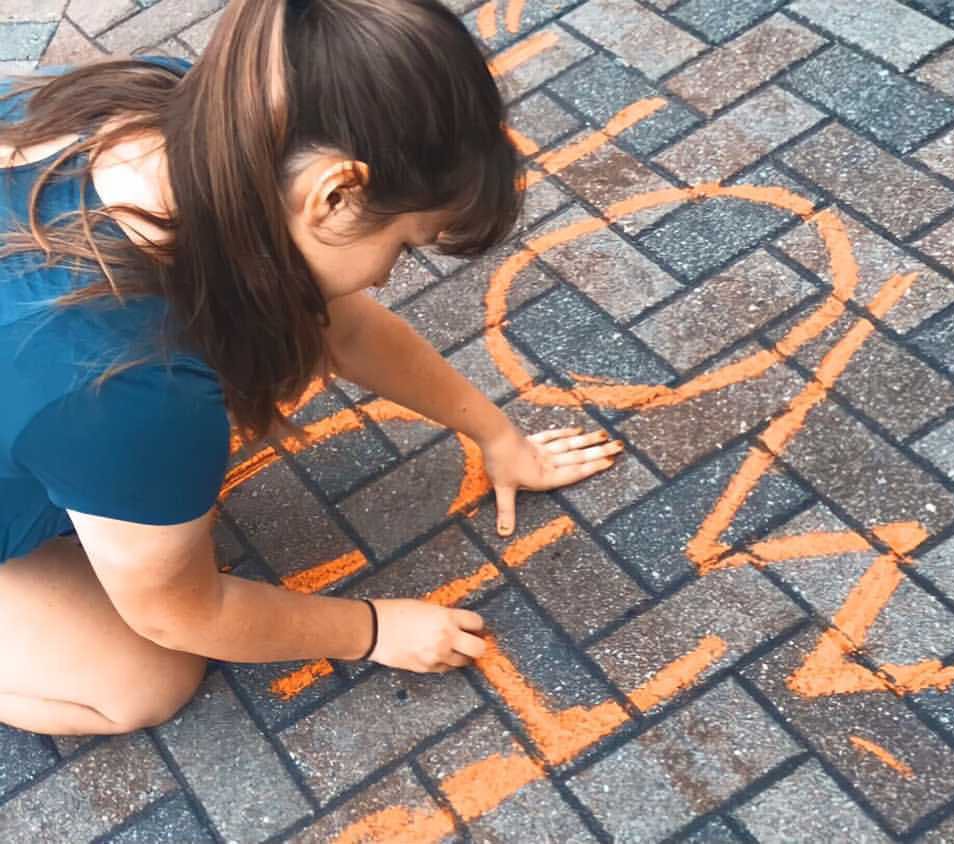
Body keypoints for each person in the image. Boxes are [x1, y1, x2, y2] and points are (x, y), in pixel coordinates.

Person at [0, 0, 621, 737]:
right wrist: (371, 629)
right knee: (142, 679)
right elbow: (180, 614)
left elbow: (338, 324)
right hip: (76, 404)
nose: (389, 276)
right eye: (405, 244)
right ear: (335, 192)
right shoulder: (130, 384)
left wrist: (496, 435)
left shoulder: (195, 119)